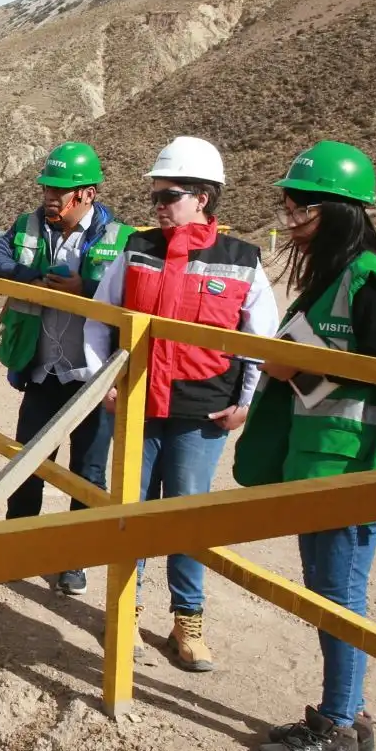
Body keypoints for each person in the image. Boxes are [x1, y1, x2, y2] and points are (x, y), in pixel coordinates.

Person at [233, 141, 376, 751]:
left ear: (340, 212)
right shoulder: (330, 279)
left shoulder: (367, 279)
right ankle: (346, 715)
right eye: (287, 204)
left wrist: (299, 364)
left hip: (351, 468)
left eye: (301, 206)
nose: (289, 218)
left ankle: (338, 728)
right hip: (317, 462)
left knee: (338, 596)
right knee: (328, 594)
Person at [85, 136, 278, 671]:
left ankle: (187, 623)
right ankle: (125, 611)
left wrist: (246, 401)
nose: (159, 206)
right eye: (155, 196)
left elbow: (261, 338)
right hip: (140, 406)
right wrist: (105, 381)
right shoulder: (136, 249)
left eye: (169, 195)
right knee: (134, 514)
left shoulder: (241, 261)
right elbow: (100, 317)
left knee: (186, 519)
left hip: (203, 414)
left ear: (203, 198)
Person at [0, 141, 134, 595]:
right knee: (30, 459)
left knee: (88, 471)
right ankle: (18, 543)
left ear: (87, 193)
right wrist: (32, 280)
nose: (49, 195)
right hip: (42, 369)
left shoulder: (120, 238)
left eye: (60, 190)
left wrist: (84, 288)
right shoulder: (28, 225)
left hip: (93, 376)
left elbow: (131, 296)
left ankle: (74, 560)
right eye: (47, 186)